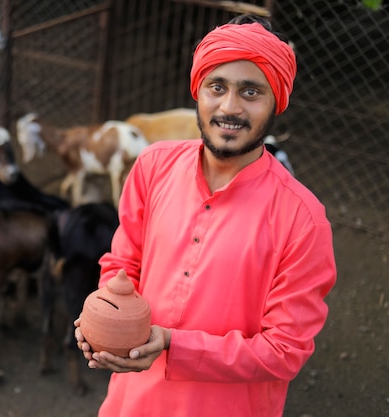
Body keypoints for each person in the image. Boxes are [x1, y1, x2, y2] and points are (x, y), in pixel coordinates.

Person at [74, 14, 337, 417]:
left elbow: (284, 350)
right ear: (198, 91)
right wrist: (106, 314)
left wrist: (172, 344)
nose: (230, 107)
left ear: (276, 102)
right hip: (130, 404)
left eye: (251, 92)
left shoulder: (303, 220)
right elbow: (122, 264)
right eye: (218, 87)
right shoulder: (152, 166)